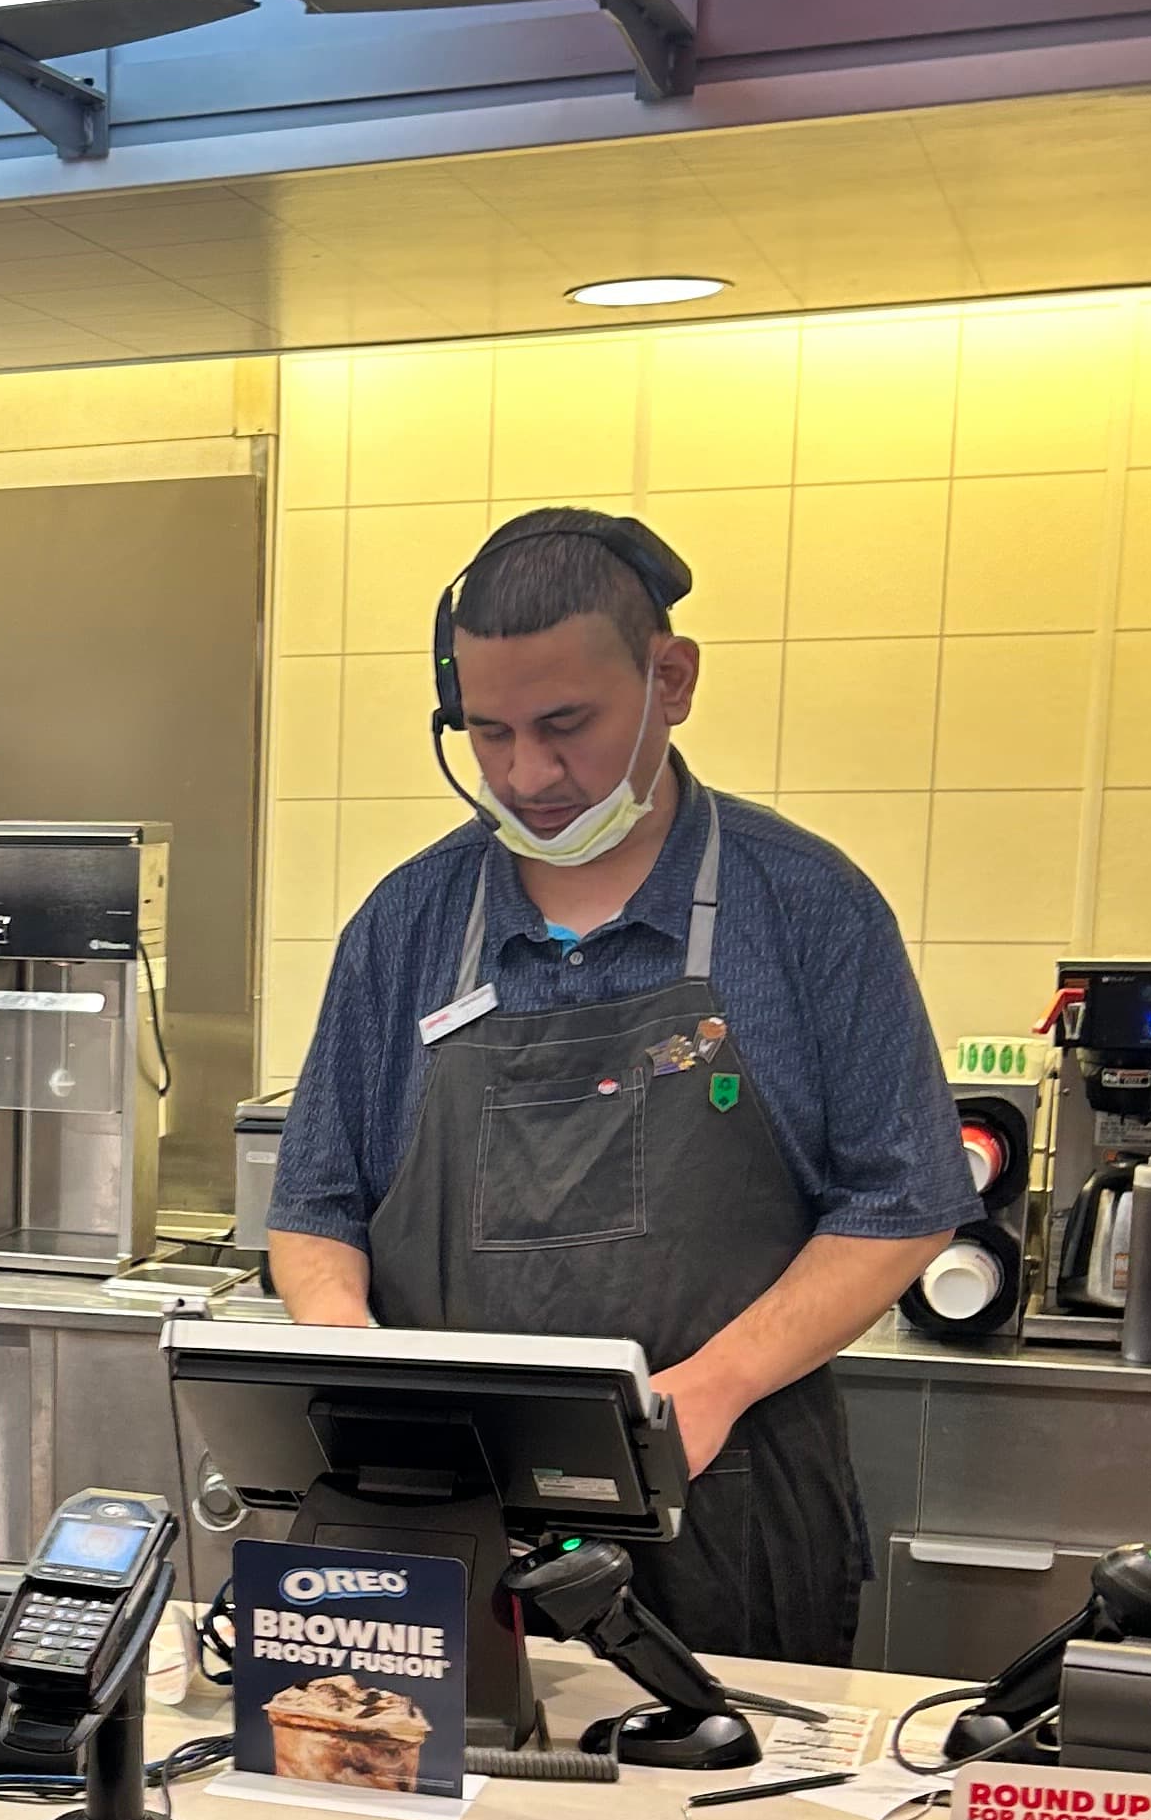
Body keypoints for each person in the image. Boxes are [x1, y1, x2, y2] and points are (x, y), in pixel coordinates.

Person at [266, 505, 966, 1662]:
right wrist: (358, 1363)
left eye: (566, 725)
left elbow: (901, 1205)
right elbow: (315, 1209)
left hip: (725, 1511)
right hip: (442, 1519)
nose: (526, 773)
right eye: (485, 732)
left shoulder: (808, 909)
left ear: (672, 678)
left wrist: (714, 1386)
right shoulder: (407, 924)